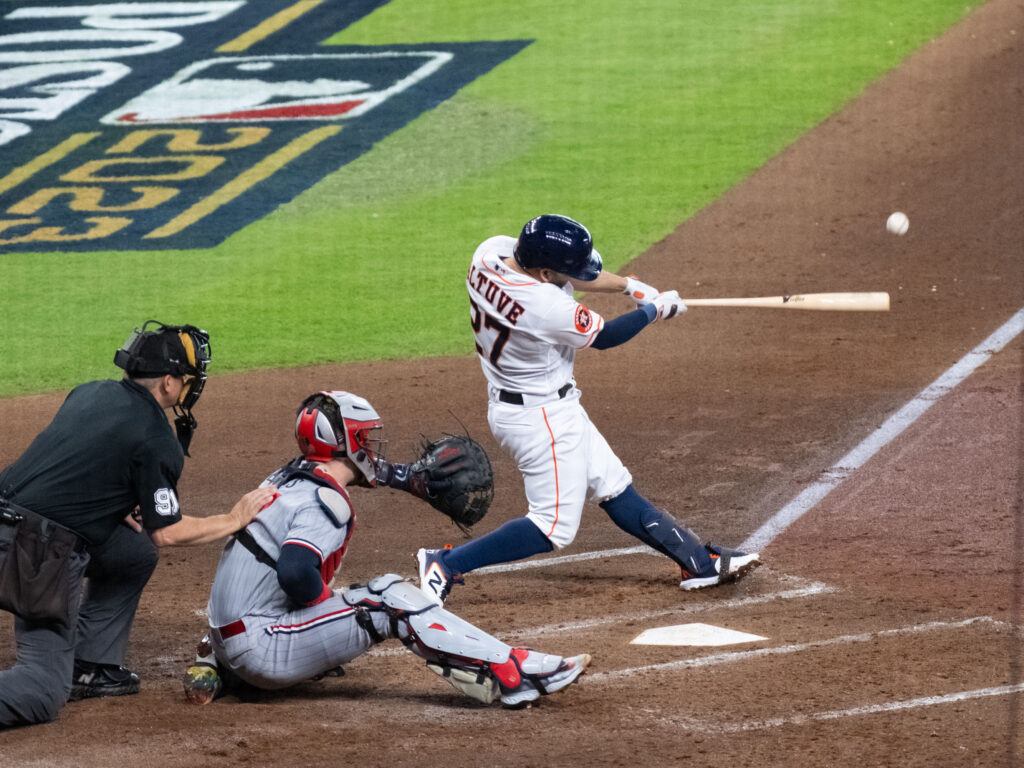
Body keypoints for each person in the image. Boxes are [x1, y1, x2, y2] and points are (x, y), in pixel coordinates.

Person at [417, 214, 761, 605]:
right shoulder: (544, 306)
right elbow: (606, 336)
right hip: (540, 418)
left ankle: (699, 562)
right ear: (544, 272)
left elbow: (570, 276)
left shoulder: (490, 252)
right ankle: (445, 563)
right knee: (552, 527)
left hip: (540, 403)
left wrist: (630, 287)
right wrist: (654, 310)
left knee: (612, 485)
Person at [182, 390, 589, 710]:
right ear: (347, 442)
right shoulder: (327, 503)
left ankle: (215, 664)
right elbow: (294, 572)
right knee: (388, 597)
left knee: (283, 569)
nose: (372, 446)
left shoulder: (286, 477)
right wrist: (325, 608)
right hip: (262, 650)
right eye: (364, 437)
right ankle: (512, 673)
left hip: (229, 639)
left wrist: (405, 476)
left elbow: (347, 481)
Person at [0, 321, 275, 729]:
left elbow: (74, 462)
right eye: (186, 379)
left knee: (131, 551)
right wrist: (233, 519)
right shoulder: (155, 436)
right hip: (35, 552)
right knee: (42, 690)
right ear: (167, 382)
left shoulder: (90, 392)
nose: (189, 387)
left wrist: (111, 502)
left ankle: (90, 666)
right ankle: (60, 675)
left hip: (11, 519)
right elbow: (167, 531)